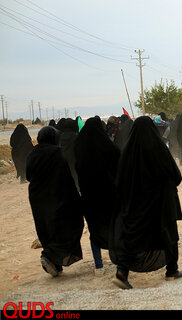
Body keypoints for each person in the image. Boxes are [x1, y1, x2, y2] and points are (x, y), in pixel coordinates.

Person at [109, 116, 182, 289]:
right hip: (161, 204)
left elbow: (119, 181)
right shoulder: (159, 149)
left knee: (132, 235)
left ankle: (122, 272)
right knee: (167, 233)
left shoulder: (128, 152)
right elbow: (176, 177)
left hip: (135, 207)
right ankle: (171, 270)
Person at [26, 126, 84, 277]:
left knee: (46, 229)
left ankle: (55, 264)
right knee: (66, 227)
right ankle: (49, 256)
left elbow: (28, 175)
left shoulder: (33, 153)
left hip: (37, 199)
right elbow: (65, 176)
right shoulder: (56, 153)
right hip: (56, 197)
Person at [74, 116, 120, 276]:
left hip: (89, 195)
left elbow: (77, 168)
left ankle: (98, 265)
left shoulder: (80, 146)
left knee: (94, 229)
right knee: (114, 227)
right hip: (109, 195)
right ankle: (118, 261)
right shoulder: (106, 145)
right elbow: (118, 163)